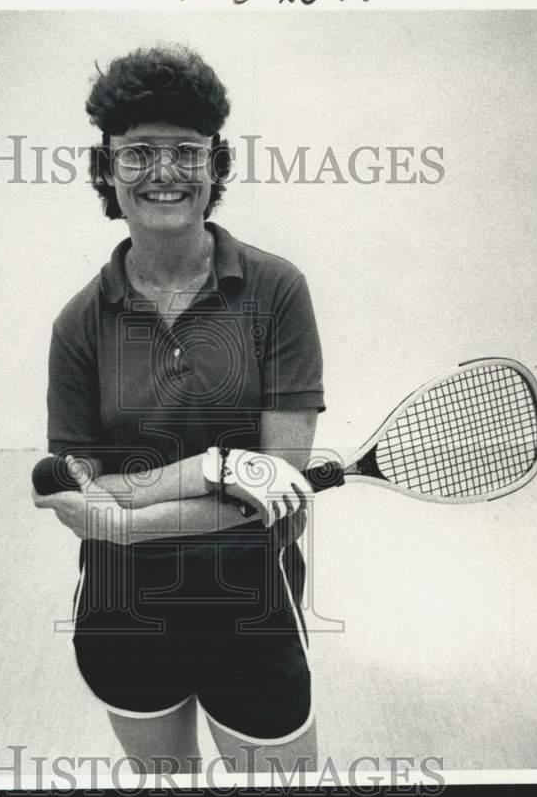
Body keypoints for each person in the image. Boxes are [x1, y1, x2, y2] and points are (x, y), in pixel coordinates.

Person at [32, 45, 326, 775]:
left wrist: (129, 528)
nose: (164, 171)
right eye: (138, 152)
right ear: (107, 169)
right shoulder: (79, 323)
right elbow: (77, 490)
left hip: (250, 606)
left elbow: (277, 489)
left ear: (215, 165)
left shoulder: (277, 291)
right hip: (122, 614)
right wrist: (214, 467)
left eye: (186, 151)